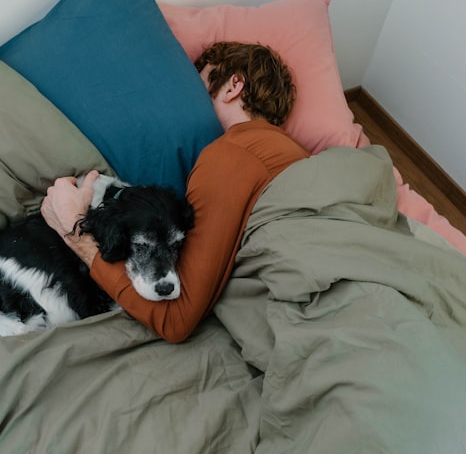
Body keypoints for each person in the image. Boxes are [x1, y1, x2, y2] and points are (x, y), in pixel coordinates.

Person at [40, 42, 310, 343]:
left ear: (234, 85)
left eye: (196, 86)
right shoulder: (296, 152)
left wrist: (74, 229)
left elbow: (176, 320)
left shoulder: (231, 154)